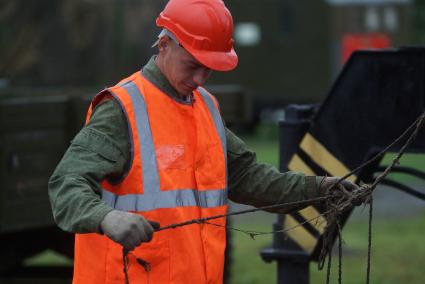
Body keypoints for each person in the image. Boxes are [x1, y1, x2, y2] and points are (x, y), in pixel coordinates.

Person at [48, 0, 360, 283]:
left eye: (208, 69)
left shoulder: (206, 107)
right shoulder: (122, 109)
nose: (199, 79)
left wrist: (319, 189)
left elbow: (251, 178)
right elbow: (65, 184)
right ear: (165, 44)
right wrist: (107, 218)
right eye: (192, 65)